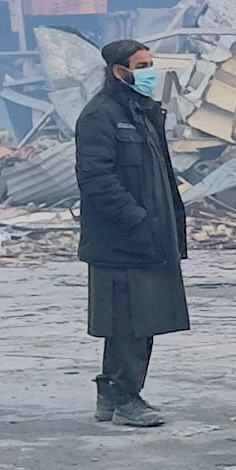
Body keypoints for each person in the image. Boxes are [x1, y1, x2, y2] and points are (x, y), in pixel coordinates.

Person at [74, 37, 189, 427]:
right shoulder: (100, 116)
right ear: (118, 71)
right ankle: (125, 399)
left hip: (152, 236)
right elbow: (97, 178)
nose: (149, 73)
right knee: (126, 322)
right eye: (142, 66)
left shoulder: (145, 112)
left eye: (150, 64)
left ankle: (113, 392)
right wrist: (136, 218)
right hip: (121, 241)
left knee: (144, 321)